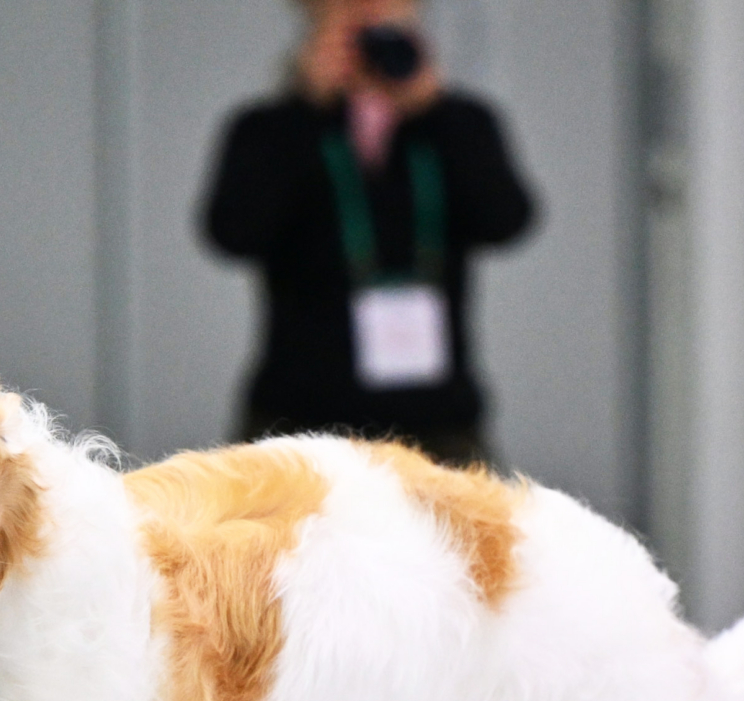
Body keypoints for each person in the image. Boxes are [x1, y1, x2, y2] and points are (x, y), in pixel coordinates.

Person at [202, 0, 537, 467]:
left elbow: (506, 220)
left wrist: (432, 109)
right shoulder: (268, 128)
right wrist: (307, 107)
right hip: (299, 417)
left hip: (435, 419)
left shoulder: (458, 123)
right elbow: (233, 233)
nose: (369, 12)